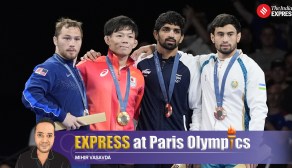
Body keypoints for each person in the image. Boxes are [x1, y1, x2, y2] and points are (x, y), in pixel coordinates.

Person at [131, 13, 268, 168]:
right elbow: (173, 53)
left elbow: (259, 109)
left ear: (238, 37)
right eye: (220, 34)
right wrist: (153, 46)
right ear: (212, 37)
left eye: (230, 34)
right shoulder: (202, 62)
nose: (225, 39)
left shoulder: (251, 68)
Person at [82, 11, 201, 168]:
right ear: (156, 34)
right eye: (166, 30)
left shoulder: (192, 64)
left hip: (176, 145)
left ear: (182, 37)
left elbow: (197, 109)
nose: (171, 34)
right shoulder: (139, 63)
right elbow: (133, 108)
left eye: (176, 31)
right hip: (144, 146)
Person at [77, 15, 144, 168]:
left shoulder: (138, 76)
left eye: (129, 36)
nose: (125, 40)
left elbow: (134, 113)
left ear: (135, 43)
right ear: (107, 39)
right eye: (119, 35)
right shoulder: (88, 65)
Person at [22, 17, 87, 131]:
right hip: (57, 141)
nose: (72, 43)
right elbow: (29, 96)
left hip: (80, 141)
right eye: (66, 38)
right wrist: (62, 115)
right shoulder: (48, 68)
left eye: (77, 39)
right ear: (55, 40)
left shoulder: (77, 69)